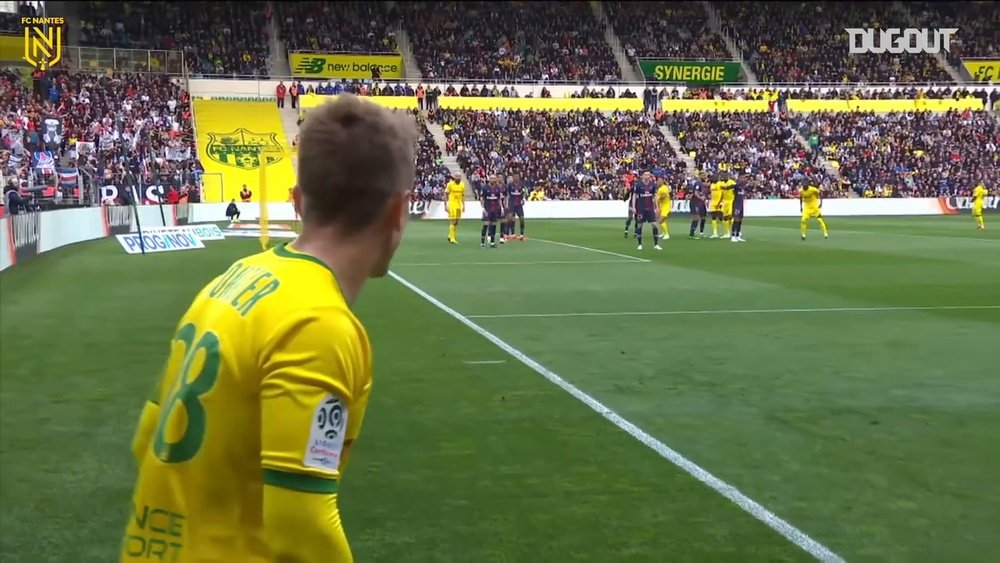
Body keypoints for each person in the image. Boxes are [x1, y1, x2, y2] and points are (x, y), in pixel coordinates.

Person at [120, 94, 419, 563]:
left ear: (297, 201)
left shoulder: (232, 279)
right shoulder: (319, 324)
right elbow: (301, 524)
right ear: (399, 211)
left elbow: (146, 439)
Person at [632, 171, 661, 251]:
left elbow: (654, 196)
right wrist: (634, 207)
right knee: (640, 225)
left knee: (654, 225)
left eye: (648, 174)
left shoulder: (652, 185)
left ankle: (656, 244)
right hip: (641, 208)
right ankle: (640, 244)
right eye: (645, 174)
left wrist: (657, 207)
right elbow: (634, 196)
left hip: (650, 208)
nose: (647, 176)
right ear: (642, 176)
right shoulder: (638, 185)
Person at [480, 174, 504, 248]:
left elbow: (499, 198)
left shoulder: (497, 188)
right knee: (486, 224)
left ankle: (492, 242)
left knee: (494, 225)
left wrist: (502, 207)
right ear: (489, 179)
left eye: (494, 178)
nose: (493, 179)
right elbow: (482, 199)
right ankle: (482, 243)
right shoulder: (485, 188)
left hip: (495, 209)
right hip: (487, 209)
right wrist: (483, 208)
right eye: (491, 178)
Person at [503, 173, 526, 241]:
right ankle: (506, 234)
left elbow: (524, 193)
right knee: (510, 219)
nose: (516, 178)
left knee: (521, 218)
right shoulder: (510, 185)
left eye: (517, 176)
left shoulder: (521, 185)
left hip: (519, 205)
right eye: (515, 176)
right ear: (513, 177)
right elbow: (506, 194)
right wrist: (506, 203)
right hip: (511, 204)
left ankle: (522, 235)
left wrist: (523, 199)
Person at [445, 172, 465, 244]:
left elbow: (462, 195)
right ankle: (452, 239)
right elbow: (446, 194)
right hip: (452, 204)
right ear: (454, 177)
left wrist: (463, 205)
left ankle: (450, 236)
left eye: (459, 176)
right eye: (456, 176)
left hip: (459, 205)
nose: (458, 177)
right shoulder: (450, 184)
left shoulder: (462, 184)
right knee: (453, 221)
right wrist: (446, 205)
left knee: (456, 222)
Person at [730, 176, 747, 243]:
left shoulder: (743, 187)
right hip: (736, 204)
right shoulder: (736, 186)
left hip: (741, 204)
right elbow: (731, 187)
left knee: (740, 219)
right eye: (742, 178)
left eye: (744, 178)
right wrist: (725, 187)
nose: (744, 179)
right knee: (736, 219)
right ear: (739, 179)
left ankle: (737, 235)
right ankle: (733, 236)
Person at [709, 174, 725, 238]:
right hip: (713, 203)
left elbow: (723, 193)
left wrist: (721, 202)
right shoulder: (712, 185)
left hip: (720, 202)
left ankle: (727, 231)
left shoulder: (721, 184)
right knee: (713, 217)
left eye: (715, 177)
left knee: (721, 217)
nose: (714, 178)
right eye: (713, 177)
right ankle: (715, 233)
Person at [655, 176, 671, 241]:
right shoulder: (660, 188)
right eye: (658, 180)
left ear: (662, 181)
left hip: (666, 206)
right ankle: (664, 233)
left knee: (661, 221)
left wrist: (659, 198)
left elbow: (664, 196)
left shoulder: (664, 188)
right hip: (662, 206)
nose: (658, 181)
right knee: (662, 220)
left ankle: (667, 234)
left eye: (660, 180)